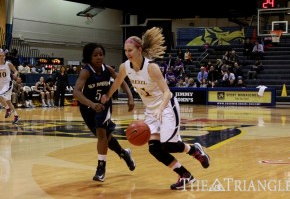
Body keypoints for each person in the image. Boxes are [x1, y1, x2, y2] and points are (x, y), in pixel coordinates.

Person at [101, 27, 210, 190]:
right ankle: (185, 175)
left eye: (130, 50)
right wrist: (107, 96)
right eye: (125, 51)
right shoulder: (125, 67)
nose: (127, 53)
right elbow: (117, 83)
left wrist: (160, 109)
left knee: (168, 145)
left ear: (139, 49)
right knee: (154, 149)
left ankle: (195, 150)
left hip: (166, 107)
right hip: (151, 111)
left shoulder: (151, 67)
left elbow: (167, 92)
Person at [73, 43, 136, 182]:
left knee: (101, 133)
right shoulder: (86, 71)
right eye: (95, 55)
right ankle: (124, 154)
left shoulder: (107, 69)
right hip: (88, 107)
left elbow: (121, 81)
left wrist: (130, 97)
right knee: (105, 138)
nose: (99, 57)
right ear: (89, 57)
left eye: (101, 54)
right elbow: (76, 92)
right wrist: (91, 104)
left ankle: (101, 168)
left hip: (104, 106)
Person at [0, 49, 20, 124]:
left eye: (3, 56)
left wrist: (15, 74)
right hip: (0, 85)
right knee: (8, 101)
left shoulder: (8, 64)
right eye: (0, 56)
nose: (2, 57)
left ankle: (8, 109)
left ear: (5, 56)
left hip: (7, 84)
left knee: (0, 96)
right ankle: (16, 116)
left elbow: (15, 71)